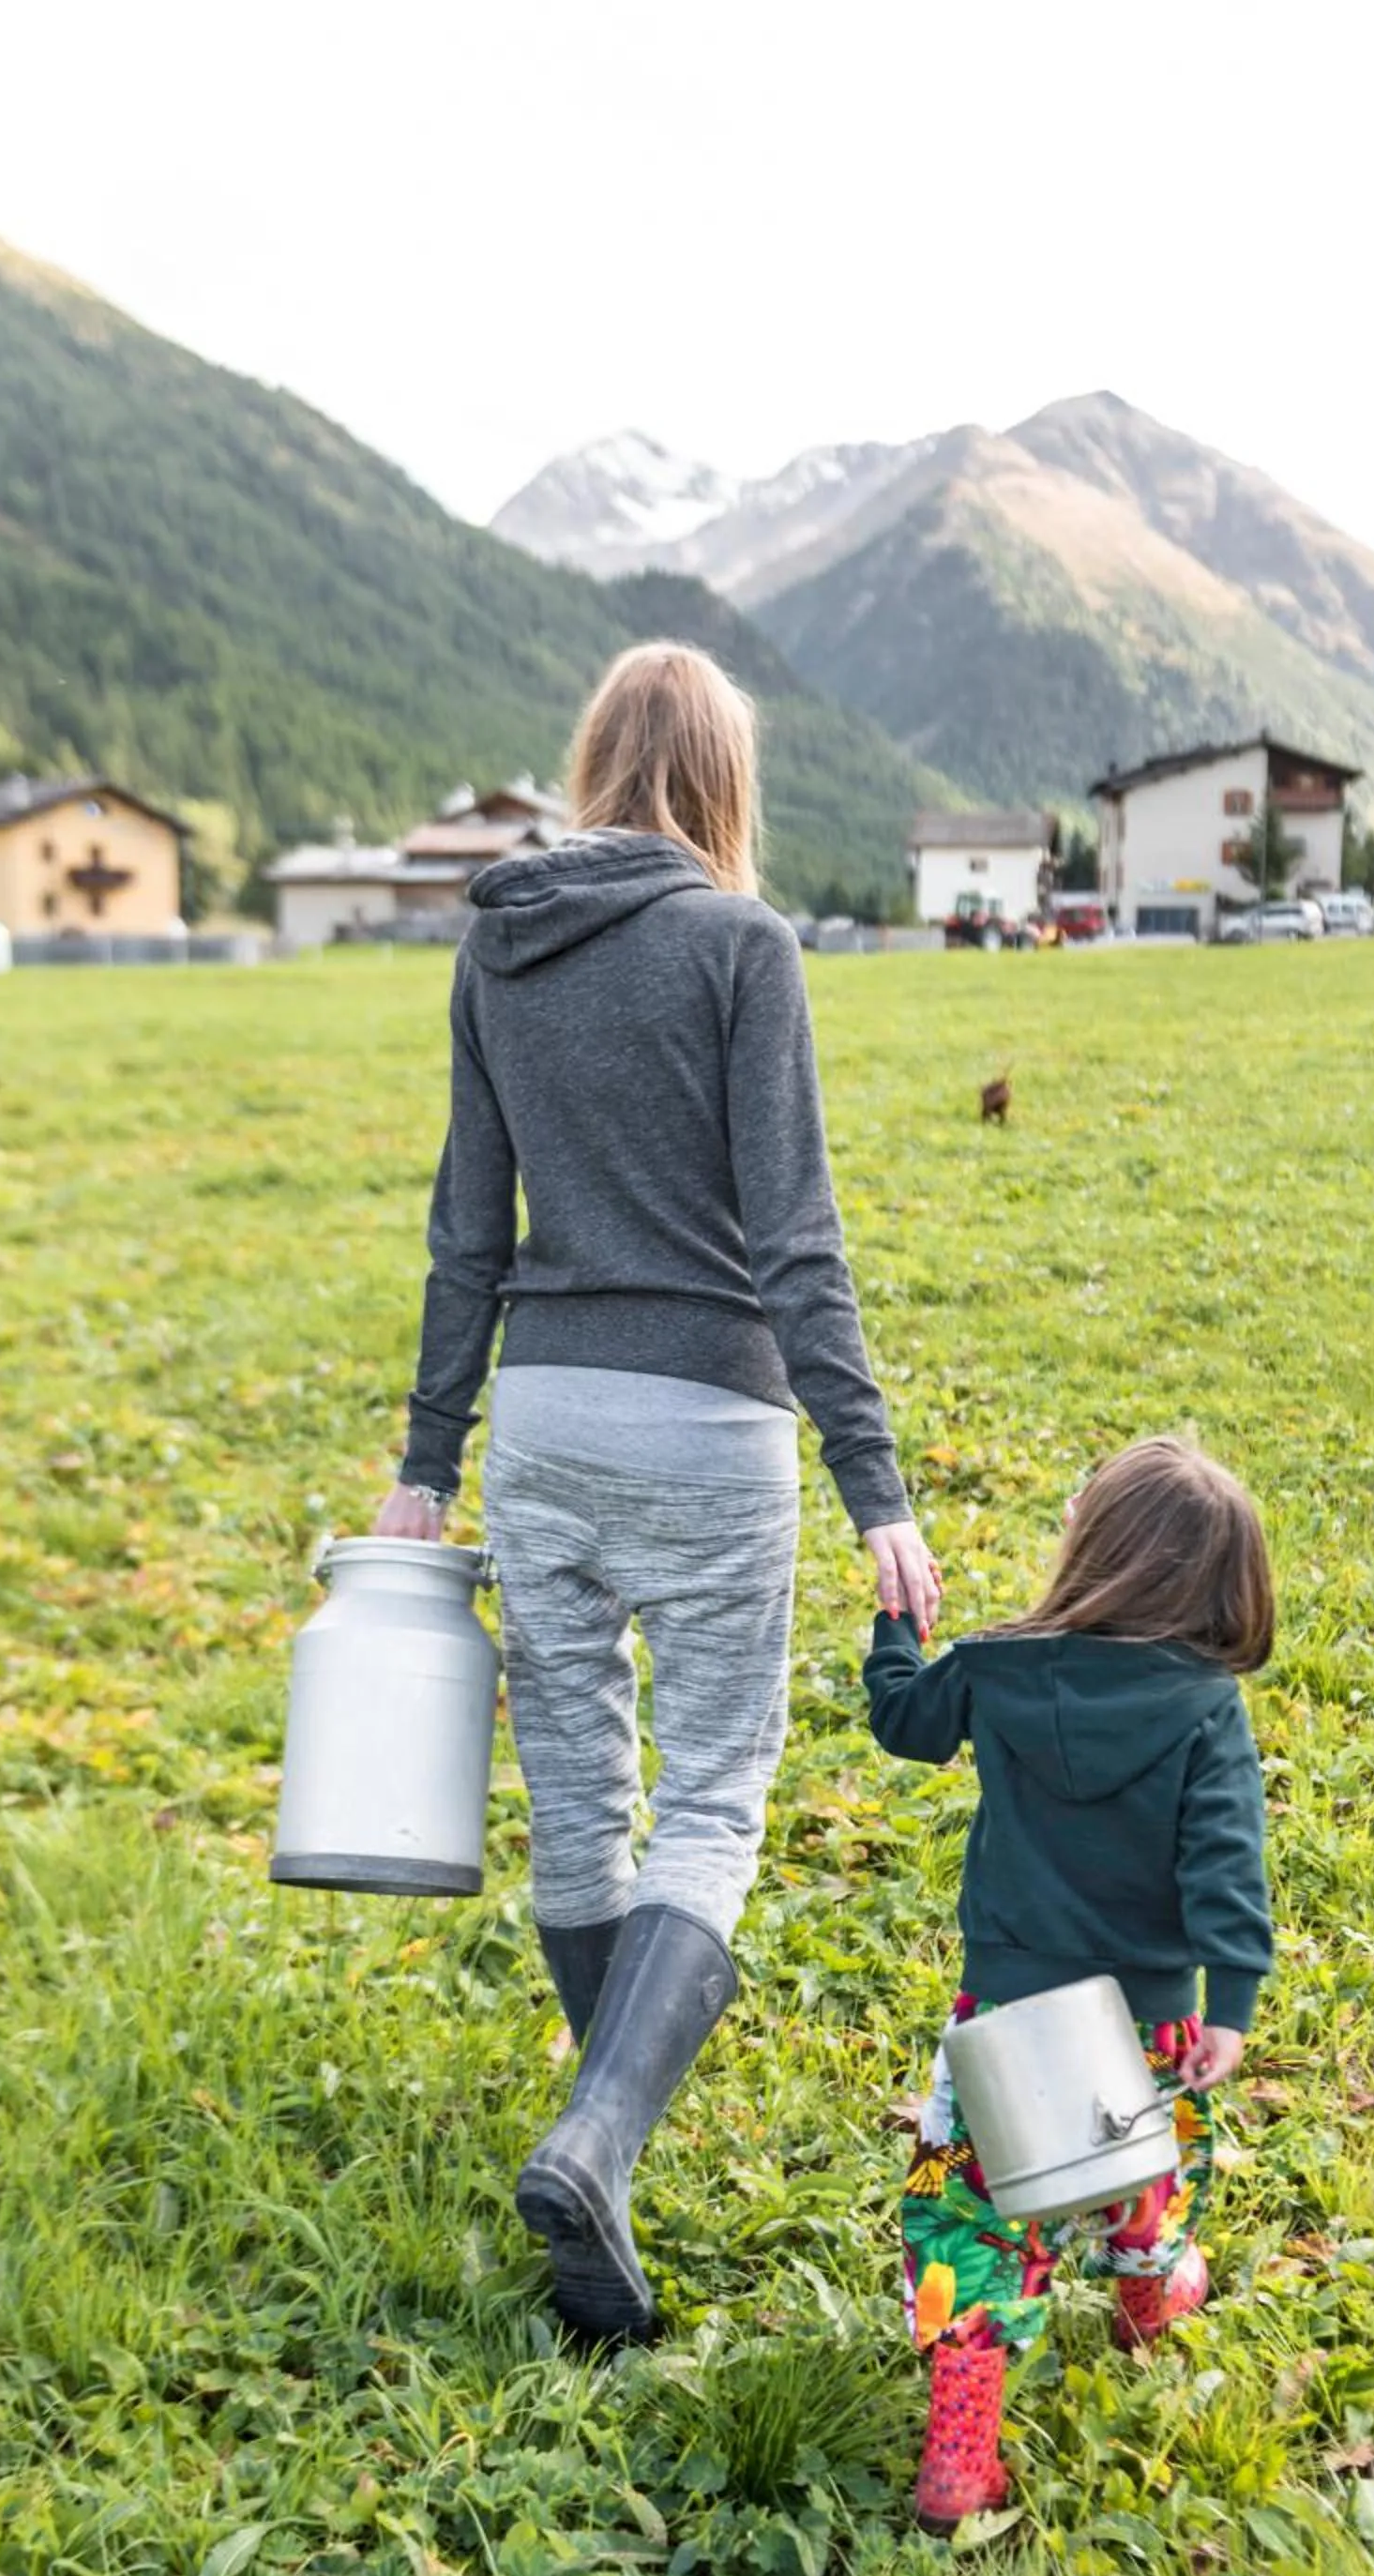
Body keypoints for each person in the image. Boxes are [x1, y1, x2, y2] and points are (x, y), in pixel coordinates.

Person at [376, 641, 940, 2347]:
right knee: (714, 1793)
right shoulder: (743, 947)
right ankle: (599, 2138)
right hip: (708, 1427)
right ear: (724, 776)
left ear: (598, 757)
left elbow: (467, 1224)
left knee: (578, 1788)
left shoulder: (498, 945)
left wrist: (426, 1460)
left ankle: (591, 2137)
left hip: (542, 1422)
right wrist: (876, 1486)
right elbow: (796, 1240)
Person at [863, 1436, 1275, 2533]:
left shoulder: (995, 1666)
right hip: (1147, 2010)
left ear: (1089, 1547)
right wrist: (1228, 2002)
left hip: (1005, 2007)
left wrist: (896, 1630)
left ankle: (961, 2445)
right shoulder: (1204, 1709)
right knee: (1141, 2153)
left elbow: (903, 1724)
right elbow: (1225, 1862)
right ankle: (1147, 2294)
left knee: (973, 2210)